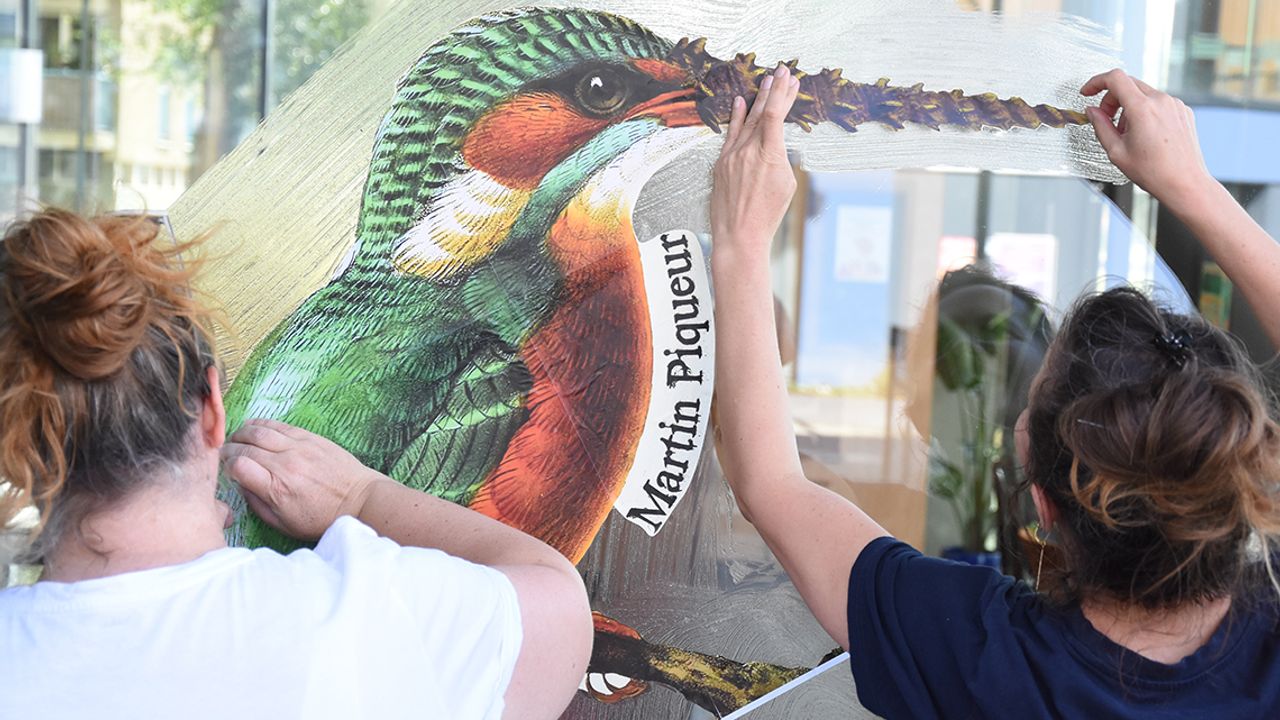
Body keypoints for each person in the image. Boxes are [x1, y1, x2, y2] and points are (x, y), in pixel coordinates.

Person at [711, 64, 1280, 717]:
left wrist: (739, 239)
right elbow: (777, 487)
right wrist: (1194, 187)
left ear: (1044, 508)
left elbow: (770, 489)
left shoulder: (990, 659)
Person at [0, 210, 592, 719]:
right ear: (212, 409)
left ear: (22, 451)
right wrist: (358, 499)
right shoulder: (357, 623)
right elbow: (561, 613)